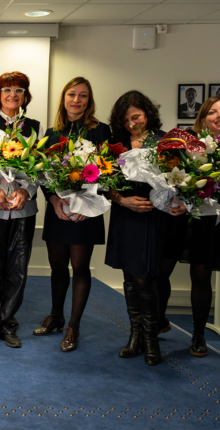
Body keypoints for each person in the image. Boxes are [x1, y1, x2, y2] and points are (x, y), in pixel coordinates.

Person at [34, 77, 111, 352]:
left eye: (83, 96)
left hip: (85, 214)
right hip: (59, 211)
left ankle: (73, 327)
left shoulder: (101, 131)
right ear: (63, 98)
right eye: (71, 95)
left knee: (79, 268)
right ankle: (56, 316)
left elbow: (106, 173)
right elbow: (41, 175)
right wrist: (53, 200)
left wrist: (85, 205)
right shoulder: (51, 133)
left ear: (89, 101)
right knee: (57, 267)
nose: (76, 100)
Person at [0, 71, 43, 349]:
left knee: (18, 270)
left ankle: (8, 323)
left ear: (25, 95)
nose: (12, 94)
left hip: (23, 211)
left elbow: (41, 168)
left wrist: (26, 190)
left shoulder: (36, 126)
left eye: (18, 90)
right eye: (6, 90)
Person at [106, 90, 170, 366]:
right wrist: (121, 199)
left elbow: (176, 180)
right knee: (130, 277)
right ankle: (136, 337)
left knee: (145, 276)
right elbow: (103, 182)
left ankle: (151, 339)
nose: (133, 124)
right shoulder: (116, 143)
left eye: (137, 117)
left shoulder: (164, 141)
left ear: (148, 114)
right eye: (126, 119)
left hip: (152, 216)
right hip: (126, 214)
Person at [159, 96, 220, 357]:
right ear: (203, 116)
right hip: (176, 217)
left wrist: (193, 204)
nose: (218, 116)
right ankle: (158, 321)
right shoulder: (185, 143)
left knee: (201, 278)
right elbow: (168, 176)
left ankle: (198, 335)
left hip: (207, 220)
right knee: (160, 272)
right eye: (214, 112)